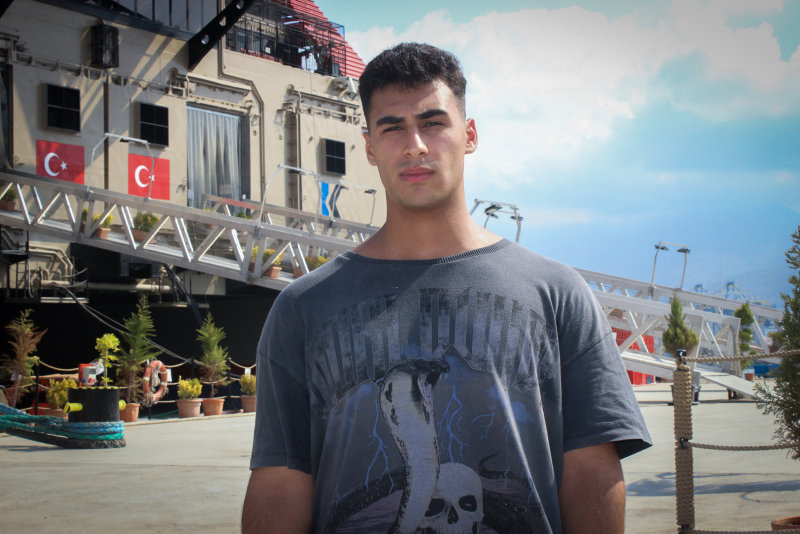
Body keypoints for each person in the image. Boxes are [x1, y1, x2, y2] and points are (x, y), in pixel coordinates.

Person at [242, 42, 651, 534]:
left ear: (469, 135)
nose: (414, 144)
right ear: (369, 146)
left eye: (432, 123)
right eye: (392, 127)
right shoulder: (302, 307)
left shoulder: (559, 294)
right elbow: (281, 481)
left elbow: (590, 472)